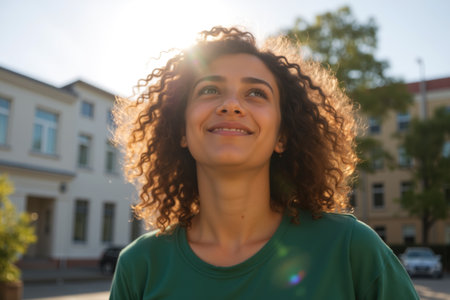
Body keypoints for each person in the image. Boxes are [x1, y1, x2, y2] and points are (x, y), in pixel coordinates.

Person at [110, 26, 419, 299]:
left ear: (282, 136)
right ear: (181, 131)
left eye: (256, 93)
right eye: (209, 90)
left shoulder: (351, 249)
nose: (231, 105)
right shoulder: (139, 266)